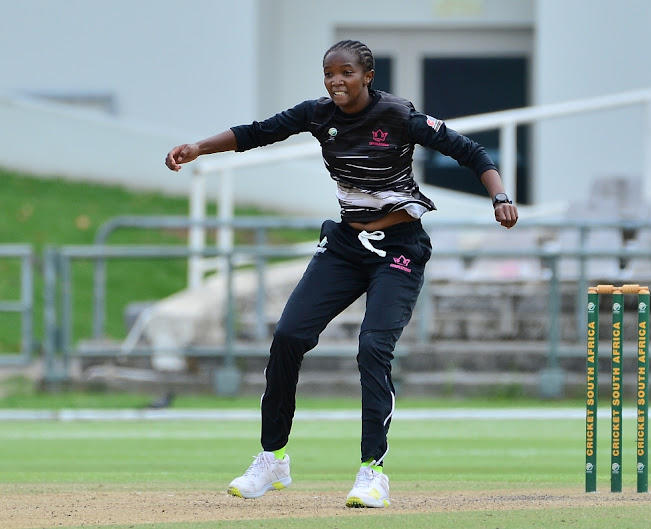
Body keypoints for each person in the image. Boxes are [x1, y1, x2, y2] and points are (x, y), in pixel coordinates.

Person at [165, 39, 518, 508]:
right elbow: (257, 132)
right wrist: (197, 148)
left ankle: (372, 472)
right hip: (346, 245)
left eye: (346, 73)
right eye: (329, 74)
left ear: (367, 75)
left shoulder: (400, 116)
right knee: (288, 335)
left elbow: (472, 152)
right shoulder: (317, 115)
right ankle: (272, 459)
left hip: (399, 247)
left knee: (373, 346)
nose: (336, 81)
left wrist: (500, 197)